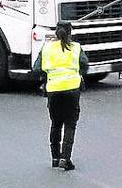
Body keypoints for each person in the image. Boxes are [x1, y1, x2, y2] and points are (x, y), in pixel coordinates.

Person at [32, 22, 88, 171]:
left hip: (54, 90)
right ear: (70, 33)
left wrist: (47, 77)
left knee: (56, 123)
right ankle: (66, 158)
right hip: (72, 89)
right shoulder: (76, 47)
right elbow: (85, 64)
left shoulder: (47, 48)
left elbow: (36, 68)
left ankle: (55, 158)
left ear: (56, 33)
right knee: (70, 124)